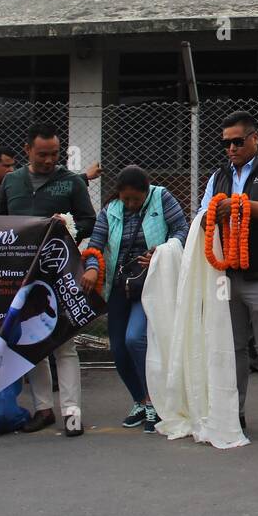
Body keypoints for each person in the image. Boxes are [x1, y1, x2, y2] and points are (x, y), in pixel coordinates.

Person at [199, 111, 258, 443]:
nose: (231, 149)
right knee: (235, 348)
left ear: (255, 138)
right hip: (228, 274)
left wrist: (240, 206)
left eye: (238, 141)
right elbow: (202, 213)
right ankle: (234, 412)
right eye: (225, 143)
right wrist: (209, 216)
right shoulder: (218, 177)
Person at [0, 122, 96, 436]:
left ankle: (71, 412)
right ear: (28, 150)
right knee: (32, 341)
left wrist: (67, 228)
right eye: (42, 155)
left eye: (54, 154)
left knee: (64, 345)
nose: (49, 160)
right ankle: (43, 409)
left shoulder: (71, 183)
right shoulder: (11, 182)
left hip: (60, 273)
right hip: (23, 274)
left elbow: (90, 220)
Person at [82, 165, 188, 433]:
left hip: (150, 282)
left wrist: (161, 252)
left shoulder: (161, 198)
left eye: (135, 200)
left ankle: (154, 400)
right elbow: (96, 243)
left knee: (135, 338)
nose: (129, 205)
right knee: (118, 348)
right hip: (119, 285)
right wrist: (92, 267)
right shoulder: (110, 211)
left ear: (146, 191)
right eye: (125, 199)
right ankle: (139, 400)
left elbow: (181, 230)